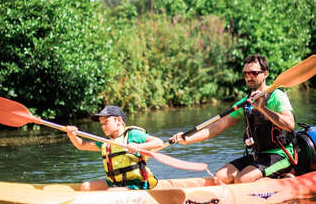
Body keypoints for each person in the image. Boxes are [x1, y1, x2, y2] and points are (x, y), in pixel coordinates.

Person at [170, 54, 296, 184]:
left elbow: (290, 125)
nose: (249, 77)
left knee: (242, 180)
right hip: (258, 155)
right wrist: (187, 139)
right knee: (219, 177)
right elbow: (217, 126)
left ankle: (283, 177)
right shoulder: (246, 101)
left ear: (265, 74)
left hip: (280, 154)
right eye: (246, 74)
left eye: (253, 73)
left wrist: (263, 108)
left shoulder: (277, 96)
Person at [66, 105, 163, 191]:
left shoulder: (132, 134)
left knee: (115, 192)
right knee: (85, 187)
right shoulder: (107, 142)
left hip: (136, 185)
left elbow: (158, 142)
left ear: (118, 120)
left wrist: (138, 146)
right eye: (101, 124)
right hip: (115, 184)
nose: (103, 127)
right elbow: (81, 145)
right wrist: (72, 135)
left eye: (106, 122)